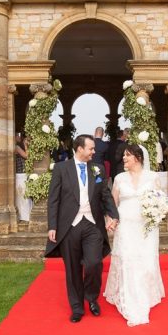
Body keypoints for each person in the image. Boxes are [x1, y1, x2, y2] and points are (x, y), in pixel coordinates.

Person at [45, 134, 119, 323]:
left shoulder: (98, 169)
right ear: (80, 149)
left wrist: (114, 215)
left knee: (94, 263)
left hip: (93, 224)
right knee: (73, 269)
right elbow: (53, 199)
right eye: (91, 148)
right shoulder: (62, 169)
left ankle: (91, 298)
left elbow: (105, 196)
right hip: (69, 226)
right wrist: (52, 225)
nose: (94, 152)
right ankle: (77, 307)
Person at [104, 143, 166, 327]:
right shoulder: (119, 179)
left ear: (137, 158)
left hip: (146, 227)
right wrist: (111, 220)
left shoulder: (153, 177)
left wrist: (157, 213)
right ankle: (129, 294)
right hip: (126, 226)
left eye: (127, 155)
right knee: (128, 259)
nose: (124, 158)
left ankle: (146, 291)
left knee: (145, 260)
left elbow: (160, 200)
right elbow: (112, 204)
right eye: (124, 156)